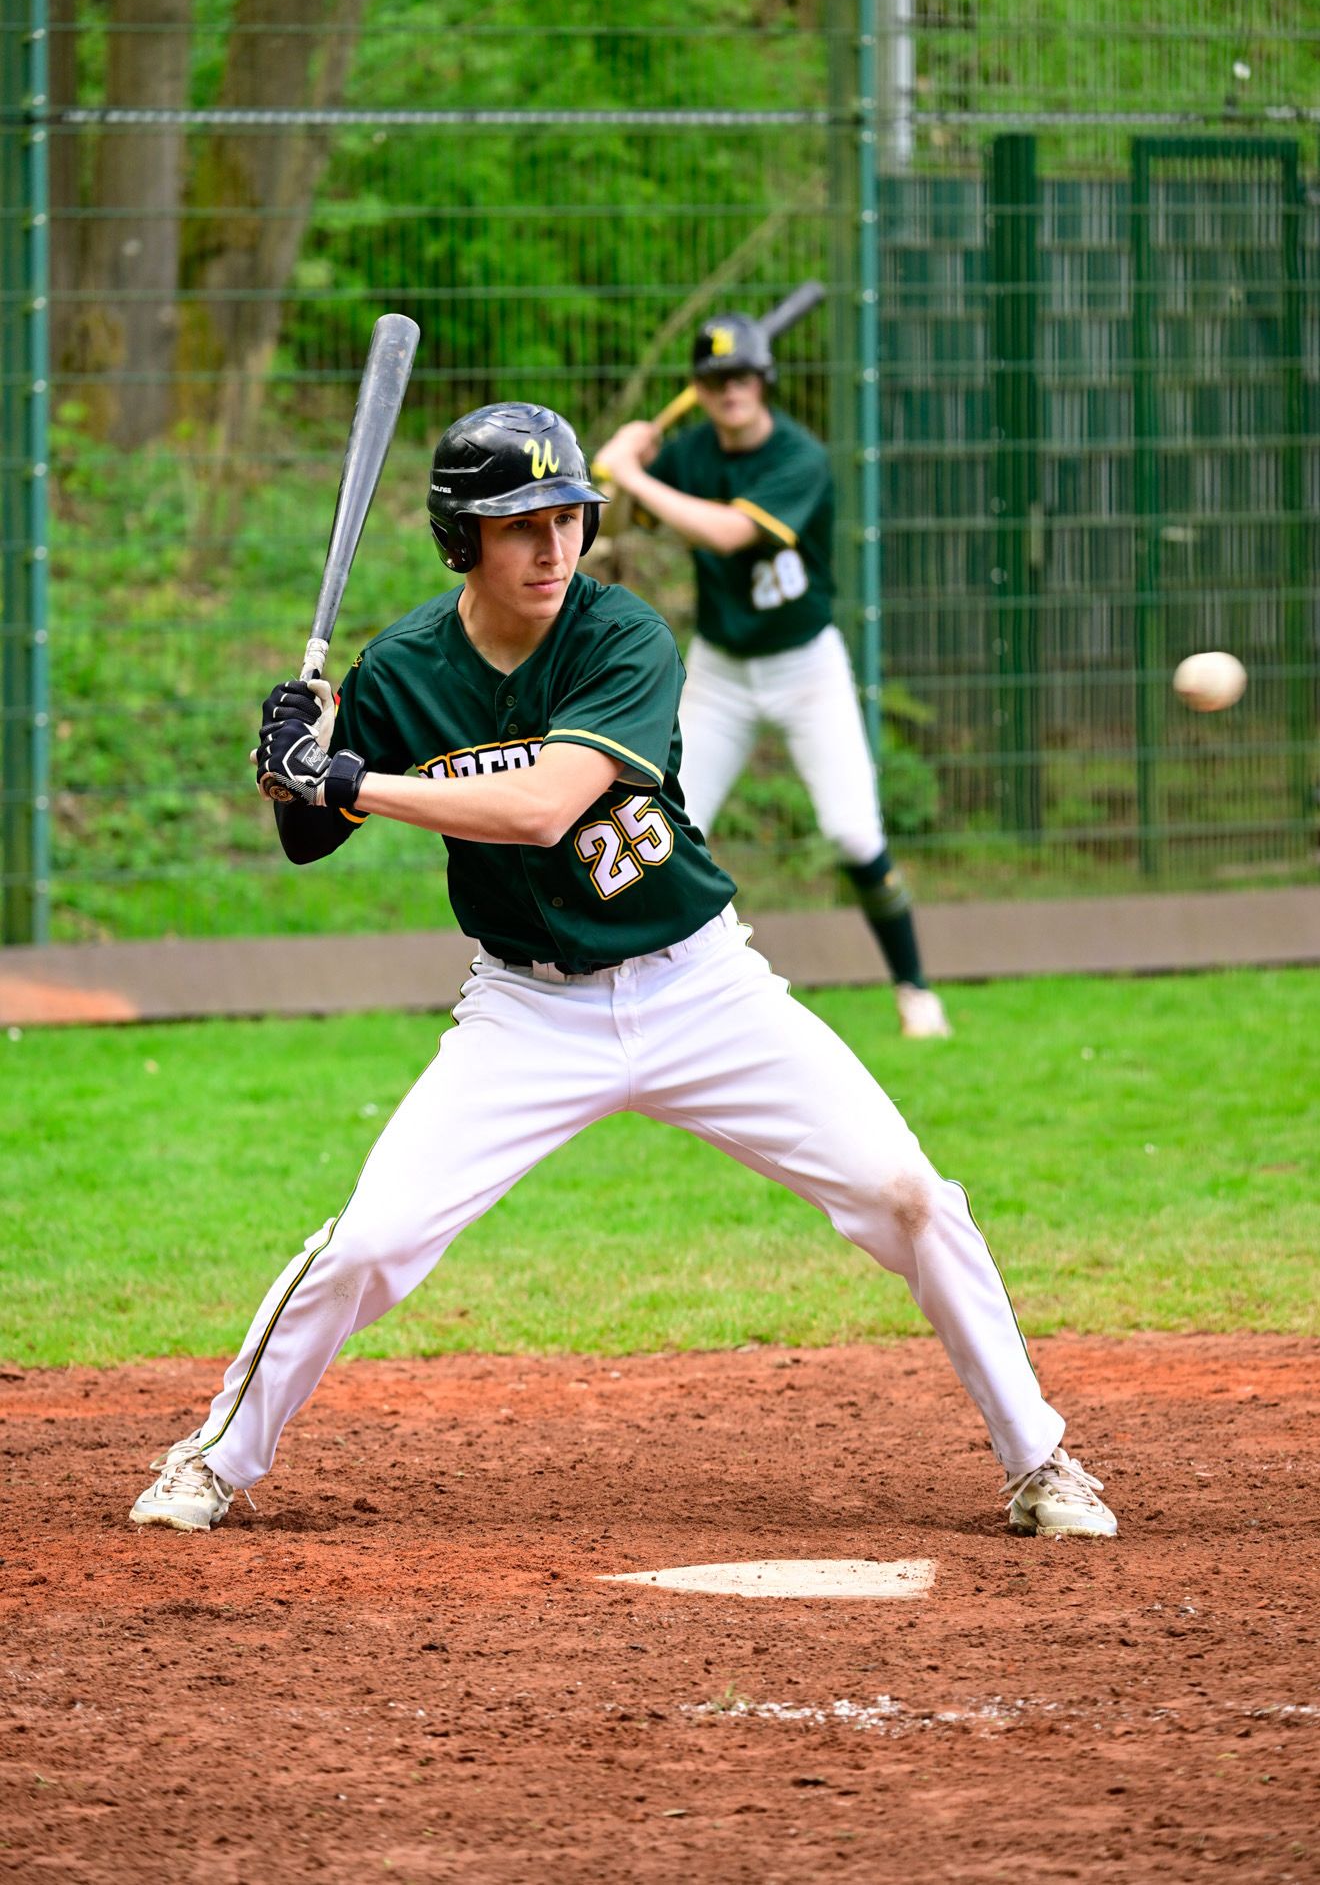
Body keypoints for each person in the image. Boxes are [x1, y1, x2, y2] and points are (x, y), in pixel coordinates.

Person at [129, 401, 1115, 1542]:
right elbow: (308, 835)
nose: (552, 546)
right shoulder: (403, 668)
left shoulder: (621, 634)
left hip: (701, 989)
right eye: (520, 525)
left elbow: (545, 807)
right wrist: (298, 756)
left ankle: (1040, 1461)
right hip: (527, 1011)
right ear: (461, 540)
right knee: (370, 1244)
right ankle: (213, 1458)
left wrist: (353, 779)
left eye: (567, 518)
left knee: (909, 1197)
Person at [593, 313, 950, 1039]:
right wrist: (627, 464)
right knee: (663, 823)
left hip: (805, 666)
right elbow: (623, 521)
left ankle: (914, 991)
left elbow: (729, 532)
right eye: (716, 380)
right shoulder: (690, 453)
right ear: (699, 390)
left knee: (852, 832)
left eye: (743, 378)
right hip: (722, 670)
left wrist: (630, 474)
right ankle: (644, 998)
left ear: (764, 382)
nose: (731, 391)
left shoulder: (799, 457)